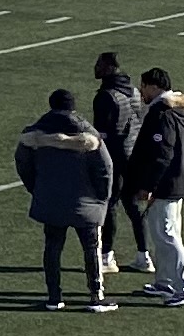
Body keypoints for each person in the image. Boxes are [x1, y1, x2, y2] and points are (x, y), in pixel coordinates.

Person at [16, 86, 116, 313]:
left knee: (52, 249)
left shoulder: (34, 135)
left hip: (50, 201)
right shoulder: (89, 134)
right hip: (87, 203)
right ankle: (96, 296)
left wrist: (37, 189)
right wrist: (102, 197)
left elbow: (23, 164)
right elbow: (105, 168)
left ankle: (54, 296)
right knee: (91, 249)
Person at [130, 70, 184, 307]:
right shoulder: (177, 108)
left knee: (166, 234)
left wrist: (148, 186)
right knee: (161, 232)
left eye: (143, 86)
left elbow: (161, 154)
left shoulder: (161, 113)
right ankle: (165, 281)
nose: (141, 91)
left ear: (153, 87)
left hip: (166, 184)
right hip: (177, 180)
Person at [92, 52, 151, 279]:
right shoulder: (134, 91)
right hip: (133, 154)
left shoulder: (106, 96)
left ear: (108, 67)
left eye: (99, 64)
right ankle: (143, 255)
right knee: (133, 205)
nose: (95, 68)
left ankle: (107, 256)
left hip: (115, 156)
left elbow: (103, 133)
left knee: (110, 203)